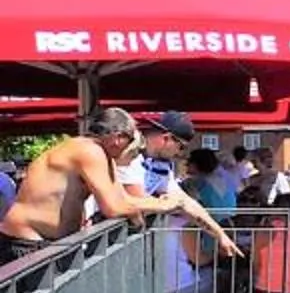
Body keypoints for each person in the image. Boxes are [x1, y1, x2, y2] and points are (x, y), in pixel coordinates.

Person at [2, 106, 238, 253]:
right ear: (117, 139)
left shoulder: (97, 153)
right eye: (132, 144)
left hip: (44, 242)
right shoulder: (90, 151)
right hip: (27, 241)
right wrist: (163, 204)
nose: (134, 151)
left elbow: (122, 199)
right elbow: (115, 206)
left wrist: (218, 233)